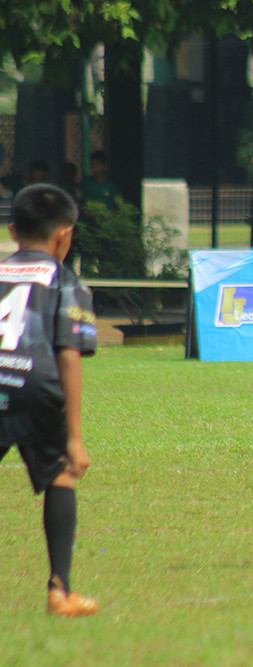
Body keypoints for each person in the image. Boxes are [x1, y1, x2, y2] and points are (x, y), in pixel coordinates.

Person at [0, 184, 98, 616]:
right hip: (35, 384)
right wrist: (74, 437)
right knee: (60, 473)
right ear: (64, 235)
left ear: (13, 231)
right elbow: (68, 356)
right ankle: (60, 591)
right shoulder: (65, 282)